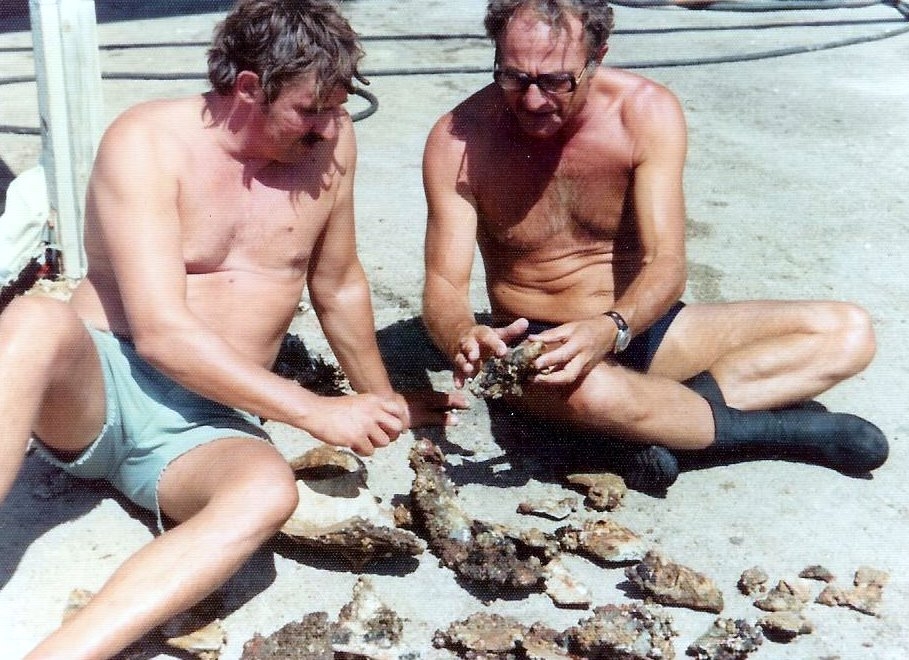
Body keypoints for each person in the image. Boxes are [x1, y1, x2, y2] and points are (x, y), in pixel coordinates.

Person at [0, 0, 464, 656]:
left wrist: (376, 399)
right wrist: (313, 411)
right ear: (248, 88)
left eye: (338, 105)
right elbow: (161, 332)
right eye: (311, 109)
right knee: (32, 321)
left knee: (266, 492)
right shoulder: (148, 140)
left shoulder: (330, 141)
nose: (328, 126)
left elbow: (337, 283)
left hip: (203, 426)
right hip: (101, 386)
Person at [421, 0, 887, 493]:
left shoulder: (643, 113)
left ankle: (647, 431)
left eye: (557, 81)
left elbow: (666, 264)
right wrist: (461, 334)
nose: (534, 100)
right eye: (514, 78)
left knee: (847, 331)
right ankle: (769, 434)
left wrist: (613, 327)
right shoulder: (460, 141)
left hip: (640, 324)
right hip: (540, 345)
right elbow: (443, 285)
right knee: (592, 392)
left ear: (597, 57)